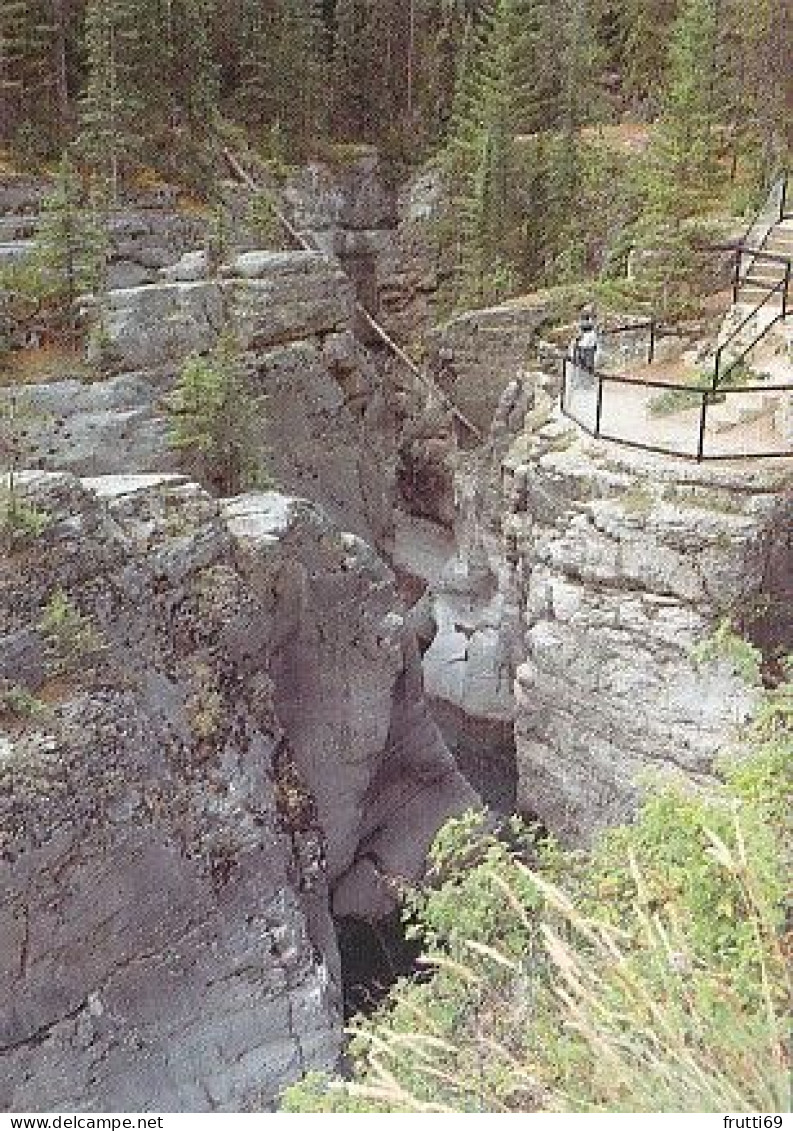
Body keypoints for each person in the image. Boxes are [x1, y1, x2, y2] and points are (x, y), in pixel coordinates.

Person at [572, 307, 599, 386]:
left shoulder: (587, 326)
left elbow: (581, 333)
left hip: (586, 346)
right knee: (585, 364)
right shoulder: (588, 326)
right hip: (586, 346)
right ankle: (586, 381)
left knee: (586, 365)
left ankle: (587, 381)